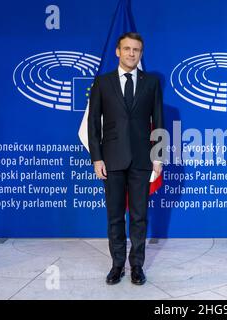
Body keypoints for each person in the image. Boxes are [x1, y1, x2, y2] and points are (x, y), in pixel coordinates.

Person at [88, 32, 164, 285]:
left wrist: (159, 158)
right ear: (118, 52)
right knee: (115, 216)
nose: (132, 53)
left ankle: (137, 266)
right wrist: (97, 159)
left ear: (141, 53)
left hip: (142, 160)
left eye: (137, 50)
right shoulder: (102, 82)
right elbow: (93, 125)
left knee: (139, 216)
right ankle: (117, 264)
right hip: (111, 160)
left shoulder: (151, 83)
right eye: (127, 49)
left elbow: (159, 122)